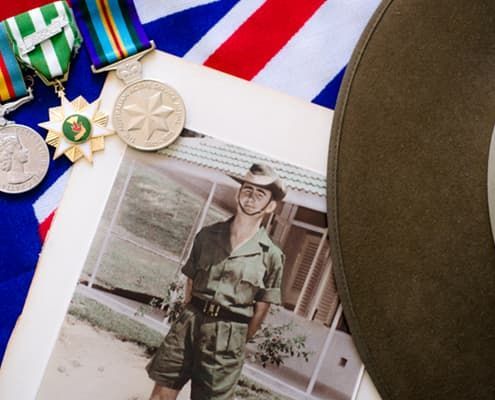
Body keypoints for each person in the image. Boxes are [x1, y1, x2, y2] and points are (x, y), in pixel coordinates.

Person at [147, 163, 287, 400]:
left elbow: (261, 311)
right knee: (161, 393)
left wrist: (234, 336)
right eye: (247, 190)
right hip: (189, 323)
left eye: (260, 194)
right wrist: (192, 315)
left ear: (271, 206)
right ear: (237, 194)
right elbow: (190, 284)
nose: (251, 198)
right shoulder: (207, 236)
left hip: (228, 337)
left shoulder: (271, 255)